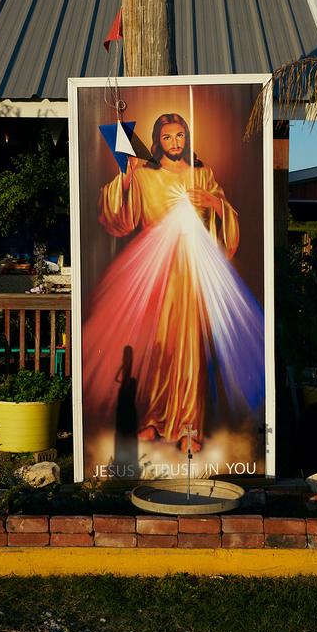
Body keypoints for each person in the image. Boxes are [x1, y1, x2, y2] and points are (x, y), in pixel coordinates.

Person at [85, 111, 261, 454]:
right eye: (167, 137)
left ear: (187, 137)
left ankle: (188, 426)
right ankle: (153, 418)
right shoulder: (145, 175)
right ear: (157, 141)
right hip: (155, 271)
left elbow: (228, 219)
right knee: (156, 347)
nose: (174, 143)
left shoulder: (202, 174)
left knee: (190, 348)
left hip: (194, 269)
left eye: (180, 136)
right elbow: (118, 217)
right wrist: (125, 175)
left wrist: (214, 203)